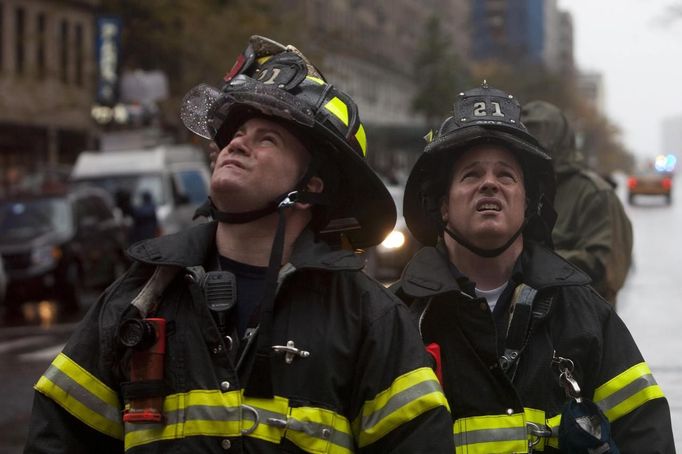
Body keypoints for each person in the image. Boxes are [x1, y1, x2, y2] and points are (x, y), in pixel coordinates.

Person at [24, 36, 452, 453]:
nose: (237, 143)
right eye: (237, 133)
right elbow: (58, 435)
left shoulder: (368, 320)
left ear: (312, 186)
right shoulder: (138, 299)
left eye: (267, 138)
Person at [392, 83, 675, 452]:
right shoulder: (396, 322)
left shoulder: (587, 319)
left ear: (528, 204)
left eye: (506, 175)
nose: (490, 184)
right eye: (471, 175)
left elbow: (646, 436)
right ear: (442, 205)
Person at [521, 100, 633, 306]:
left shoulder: (594, 194)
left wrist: (529, 260)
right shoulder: (518, 187)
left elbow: (604, 267)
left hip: (582, 321)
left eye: (541, 136)